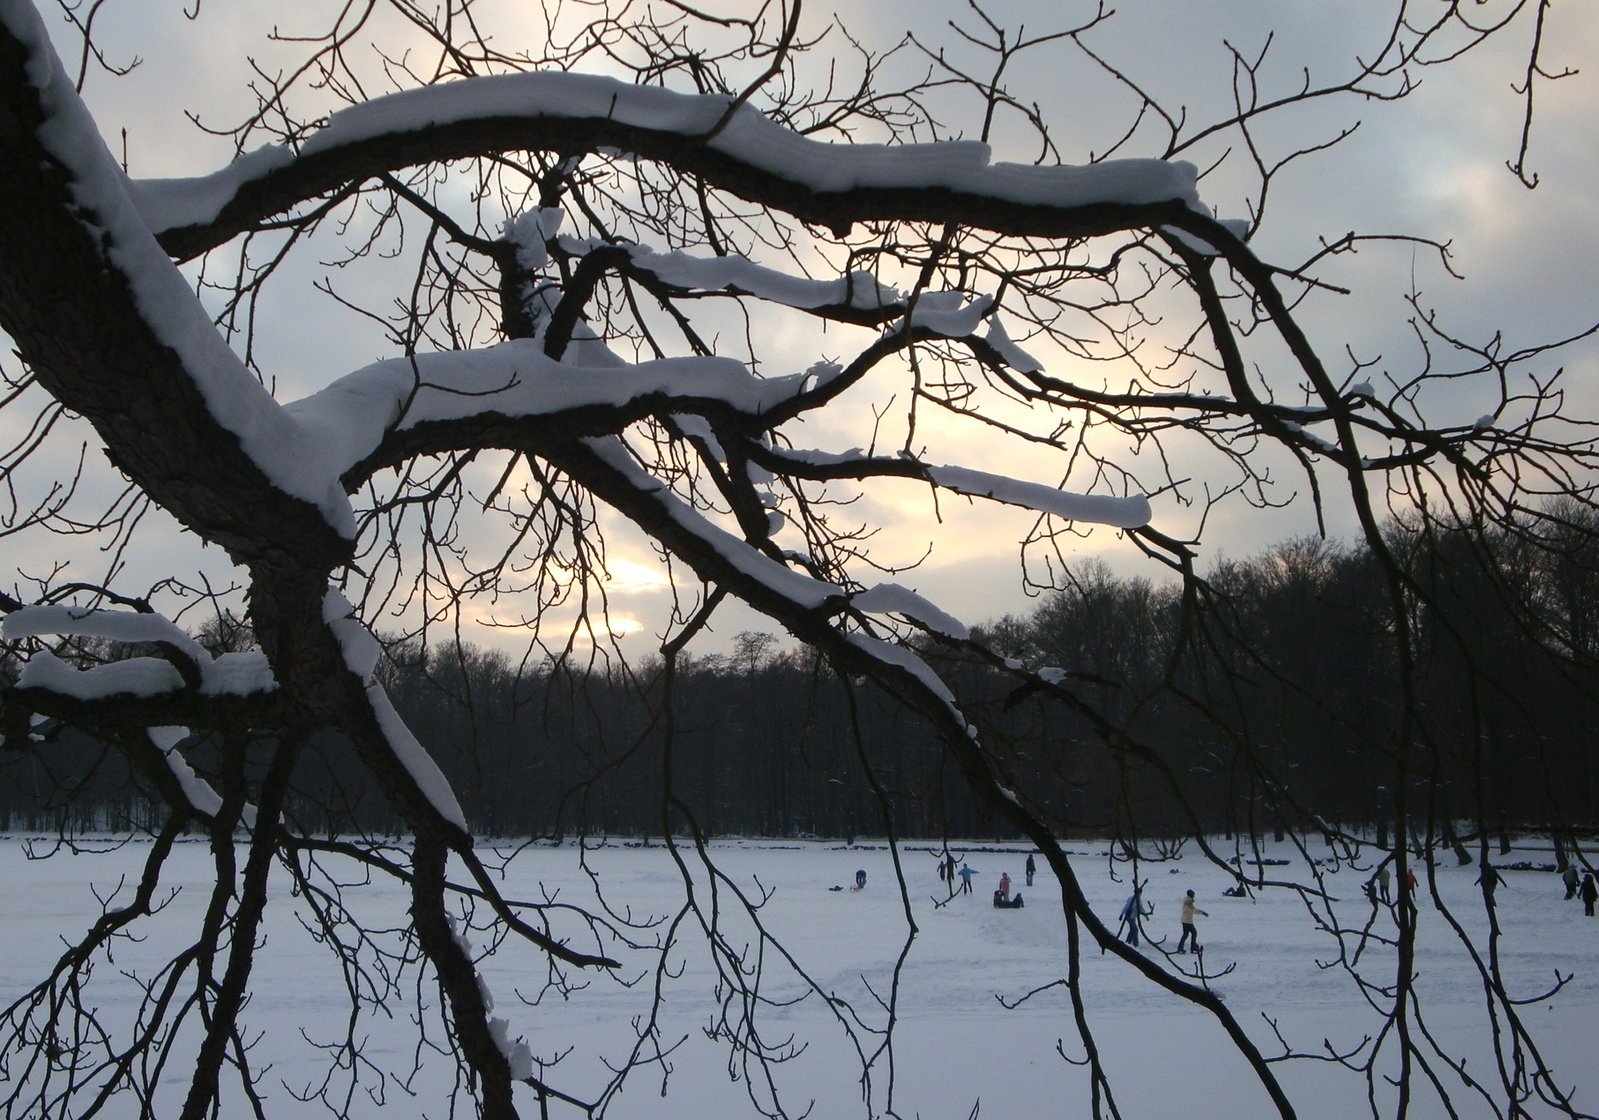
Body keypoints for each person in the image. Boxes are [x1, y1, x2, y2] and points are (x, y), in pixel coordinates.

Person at [1176, 889, 1207, 954]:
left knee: (1186, 934)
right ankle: (1192, 947)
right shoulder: (1188, 902)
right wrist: (1202, 912)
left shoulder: (1187, 901)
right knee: (1194, 933)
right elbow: (1194, 910)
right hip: (1187, 921)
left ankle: (1181, 948)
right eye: (1193, 894)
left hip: (1185, 920)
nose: (1194, 896)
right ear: (1191, 895)